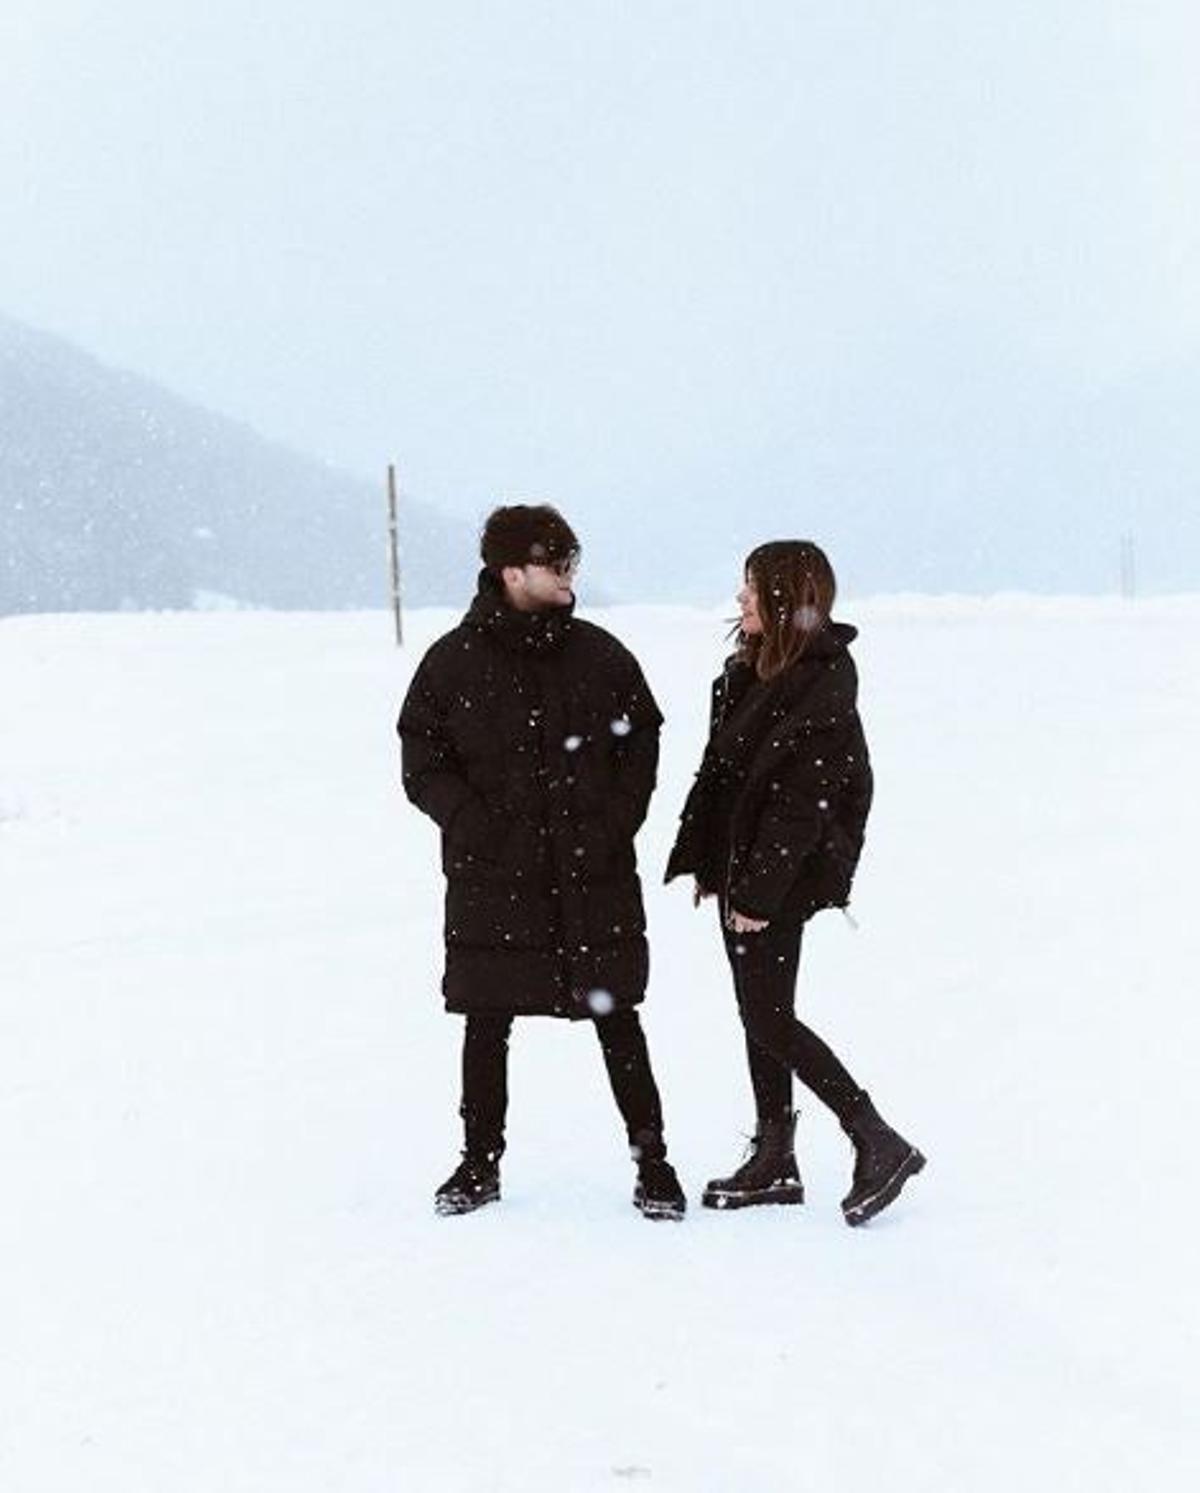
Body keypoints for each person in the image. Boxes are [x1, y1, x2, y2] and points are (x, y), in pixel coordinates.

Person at [397, 503, 686, 1220]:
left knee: (616, 1013)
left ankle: (654, 1161)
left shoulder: (601, 655)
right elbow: (422, 761)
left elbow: (641, 743)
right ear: (510, 571)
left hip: (594, 874)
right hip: (492, 879)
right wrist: (477, 829)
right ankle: (478, 1162)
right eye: (554, 563)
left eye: (571, 562)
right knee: (485, 1019)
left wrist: (614, 824)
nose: (567, 575)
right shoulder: (451, 662)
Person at [665, 540, 925, 1225]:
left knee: (769, 1016)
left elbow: (800, 805)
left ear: (784, 599)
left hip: (776, 881)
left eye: (752, 589)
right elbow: (722, 778)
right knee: (761, 1012)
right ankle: (776, 1155)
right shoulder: (750, 671)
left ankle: (875, 1137)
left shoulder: (821, 683)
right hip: (743, 872)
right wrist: (709, 861)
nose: (741, 600)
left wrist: (756, 893)